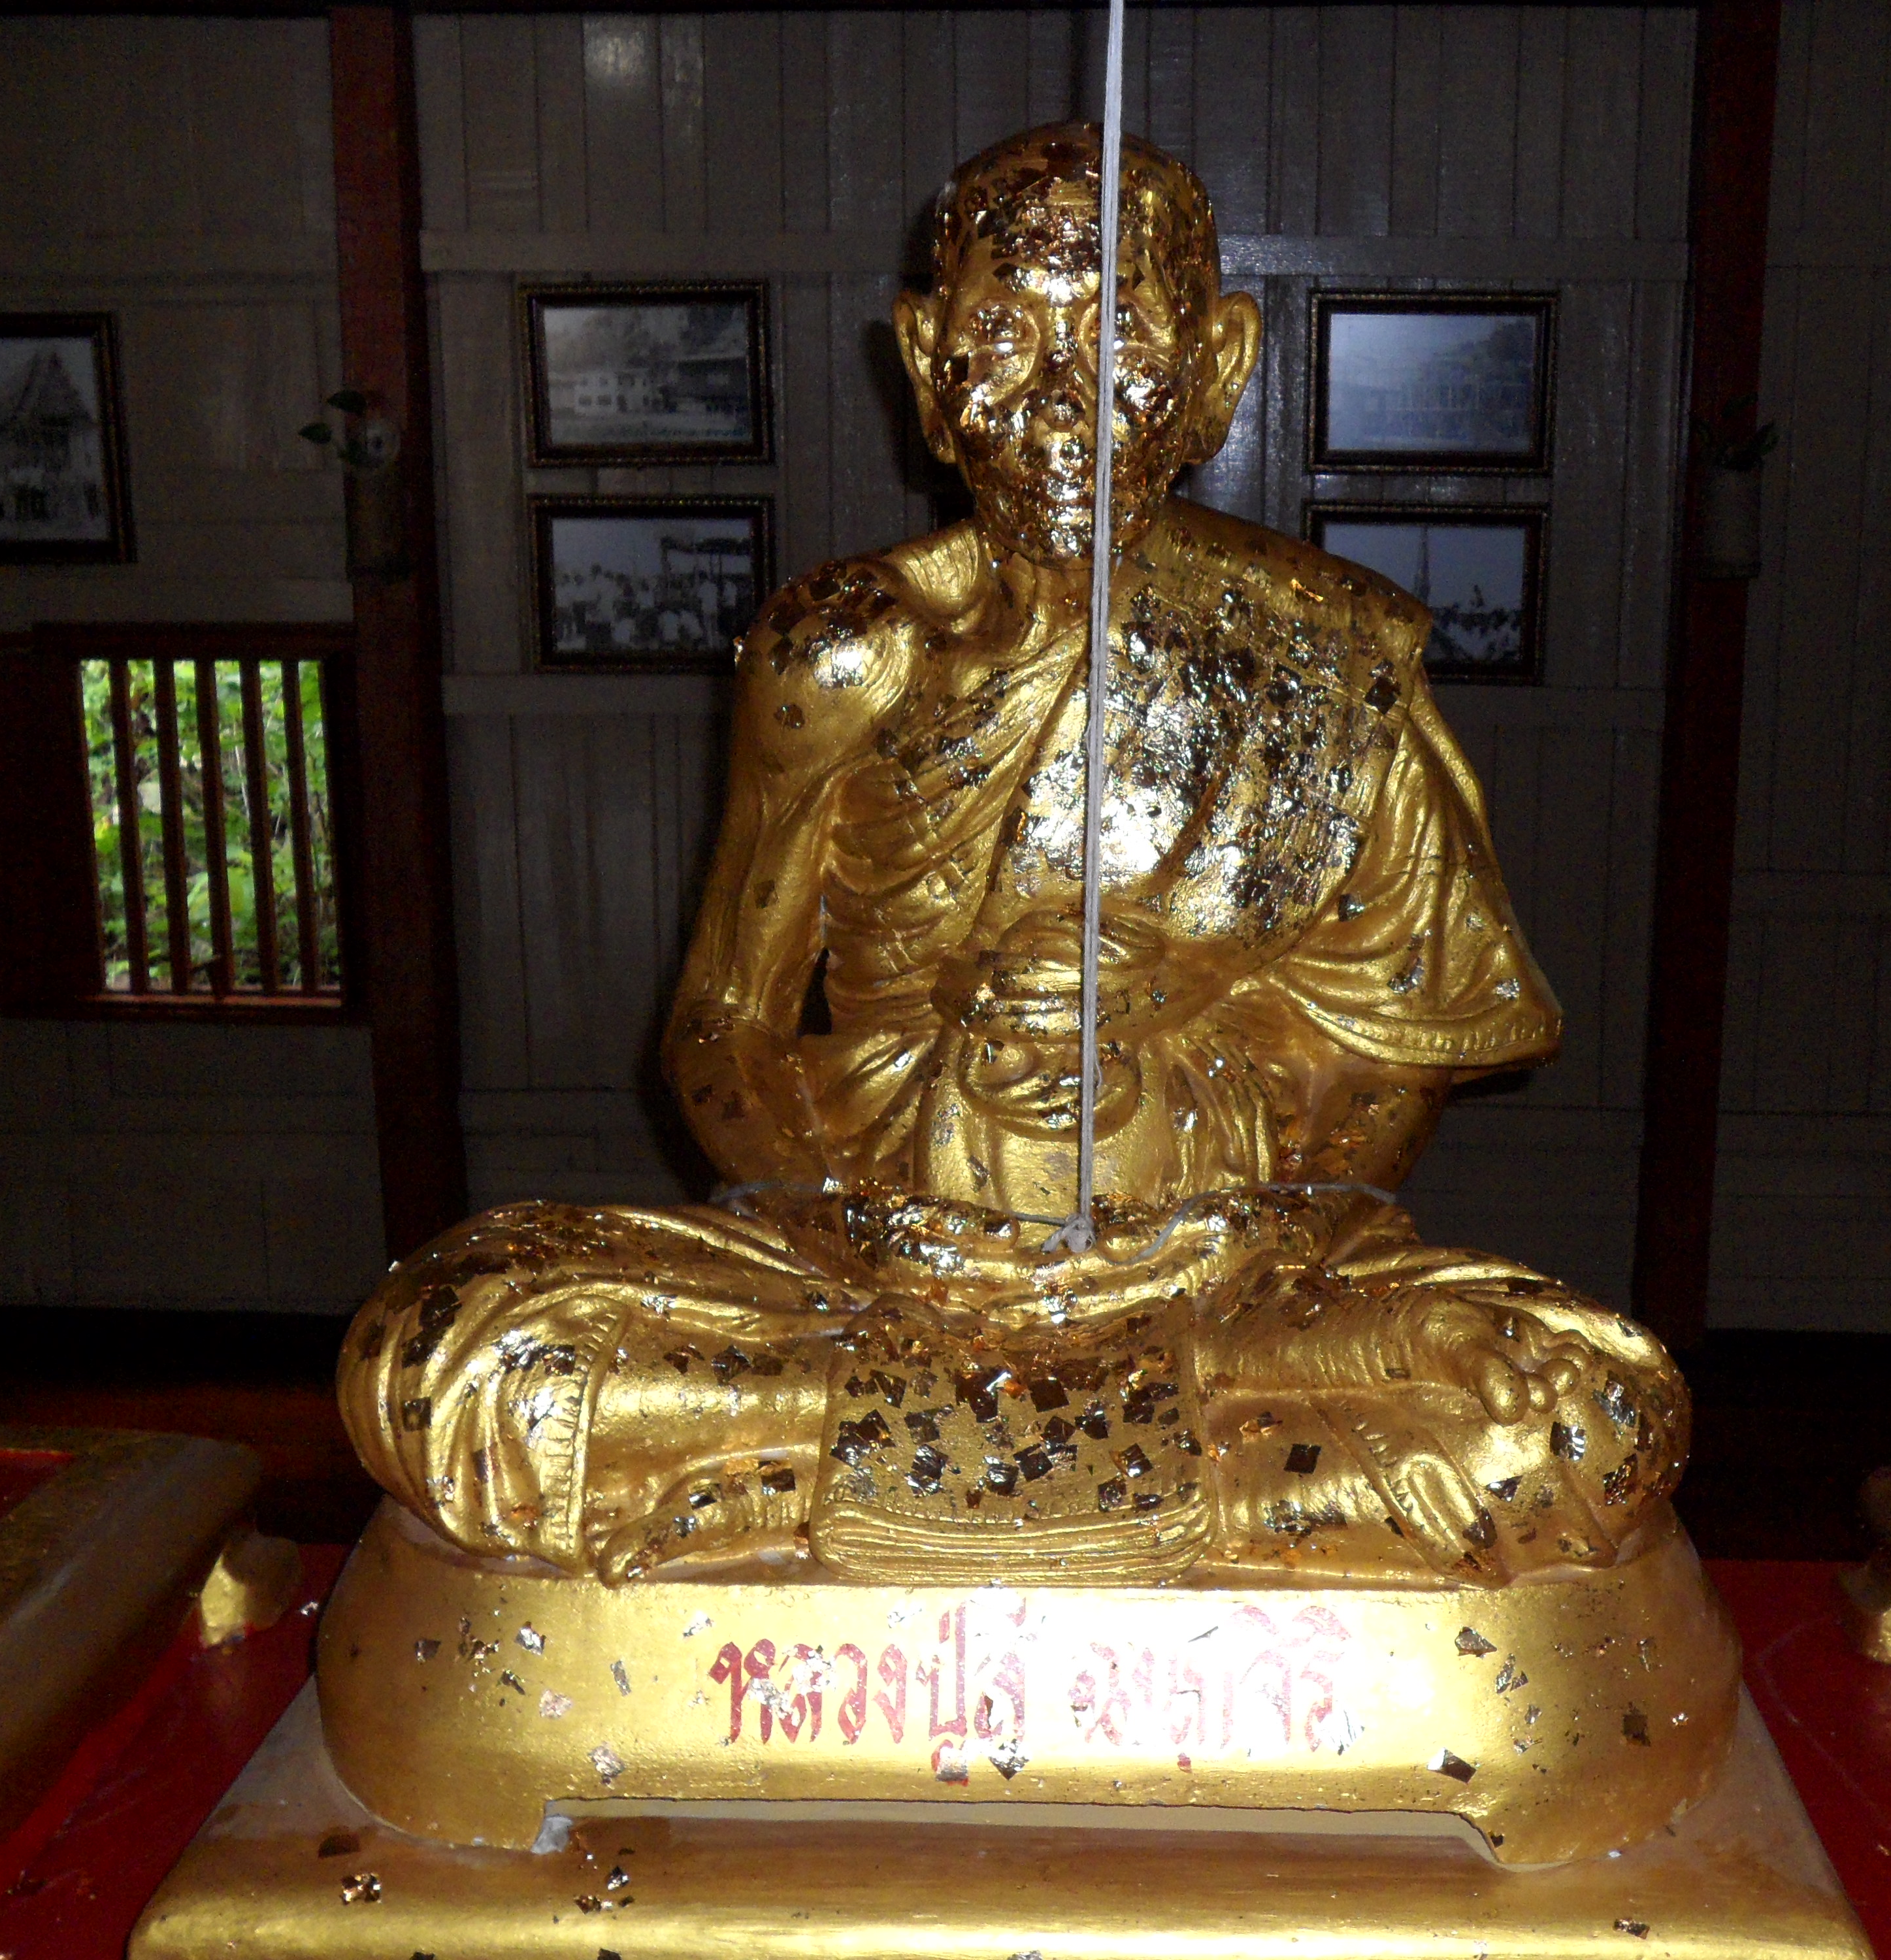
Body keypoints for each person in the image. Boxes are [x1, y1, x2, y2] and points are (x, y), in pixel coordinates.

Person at [340, 124, 1686, 1593]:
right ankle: (1187, 1495)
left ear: (1218, 368)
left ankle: (831, 1486)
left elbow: (1386, 1075)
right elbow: (722, 1035)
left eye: (1121, 338)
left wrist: (1191, 1102)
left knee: (1586, 1413)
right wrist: (880, 1224)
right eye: (1002, 336)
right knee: (446, 1350)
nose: (1059, 399)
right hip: (886, 1268)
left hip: (1215, 1279)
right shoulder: (840, 654)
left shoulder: (1326, 658)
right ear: (927, 366)